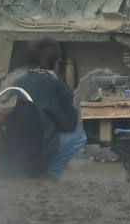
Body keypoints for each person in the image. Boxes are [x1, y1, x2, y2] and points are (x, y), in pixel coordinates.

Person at [11, 39, 87, 179]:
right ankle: (50, 175)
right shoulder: (54, 84)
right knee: (79, 134)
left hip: (15, 149)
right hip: (40, 148)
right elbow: (69, 123)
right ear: (56, 63)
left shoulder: (18, 82)